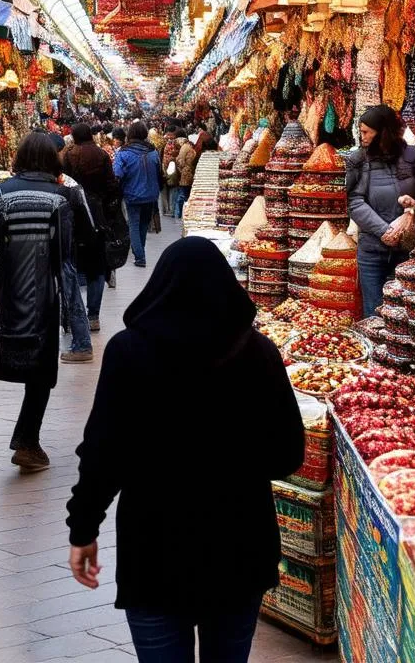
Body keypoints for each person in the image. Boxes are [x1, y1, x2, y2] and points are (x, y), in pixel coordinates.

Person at [66, 237, 305, 663]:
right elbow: (288, 455)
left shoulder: (128, 353)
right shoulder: (258, 354)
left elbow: (103, 454)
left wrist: (83, 529)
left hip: (154, 555)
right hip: (239, 552)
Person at [0, 132, 97, 470]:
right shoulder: (62, 196)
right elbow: (75, 243)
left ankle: (26, 439)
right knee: (42, 368)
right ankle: (28, 441)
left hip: (13, 291)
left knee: (21, 351)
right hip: (47, 291)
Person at [346, 104, 415, 318]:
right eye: (361, 131)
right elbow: (354, 202)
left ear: (383, 131)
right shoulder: (357, 160)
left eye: (367, 132)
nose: (363, 137)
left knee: (407, 314)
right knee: (374, 312)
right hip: (372, 249)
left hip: (408, 249)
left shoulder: (412, 156)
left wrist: (414, 208)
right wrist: (384, 231)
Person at [62, 123, 116, 332]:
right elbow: (111, 185)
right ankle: (93, 315)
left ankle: (73, 314)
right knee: (97, 266)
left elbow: (64, 184)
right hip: (96, 214)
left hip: (73, 214)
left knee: (71, 264)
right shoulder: (101, 155)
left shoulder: (69, 155)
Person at [113, 122, 163, 269]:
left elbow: (117, 174)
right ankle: (140, 252)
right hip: (151, 195)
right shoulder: (153, 152)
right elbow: (159, 172)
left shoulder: (123, 153)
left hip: (132, 194)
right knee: (143, 224)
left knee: (134, 225)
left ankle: (140, 256)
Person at [173, 132, 198, 219]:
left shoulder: (184, 147)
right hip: (189, 172)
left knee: (183, 193)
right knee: (185, 193)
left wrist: (181, 169)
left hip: (186, 173)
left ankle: (180, 213)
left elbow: (180, 161)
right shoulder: (189, 147)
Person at [160, 127, 181, 217]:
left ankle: (170, 210)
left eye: (170, 134)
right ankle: (168, 210)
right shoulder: (168, 142)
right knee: (170, 188)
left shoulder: (171, 143)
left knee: (170, 188)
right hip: (168, 168)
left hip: (169, 168)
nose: (169, 136)